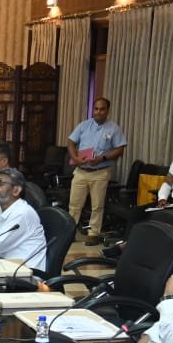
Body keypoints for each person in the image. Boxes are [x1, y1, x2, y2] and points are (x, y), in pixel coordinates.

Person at [66, 98, 127, 241]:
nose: (98, 112)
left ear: (107, 110)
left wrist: (102, 158)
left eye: (102, 109)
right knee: (74, 205)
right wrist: (75, 157)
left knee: (97, 206)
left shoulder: (114, 128)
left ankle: (93, 234)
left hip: (100, 172)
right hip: (81, 171)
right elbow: (70, 142)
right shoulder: (84, 125)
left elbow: (120, 149)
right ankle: (69, 232)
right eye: (96, 109)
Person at [0, 169, 46, 269]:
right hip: (4, 266)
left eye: (0, 184)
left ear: (16, 190)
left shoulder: (22, 213)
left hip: (25, 272)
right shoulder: (0, 208)